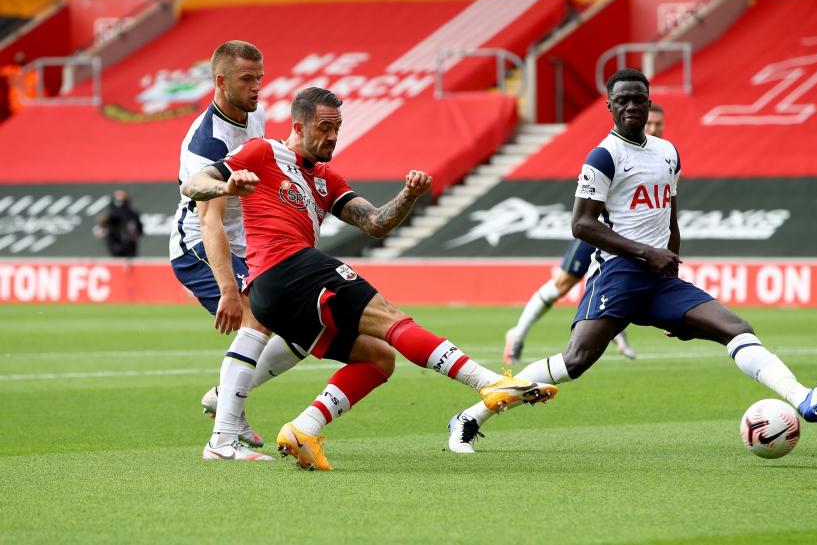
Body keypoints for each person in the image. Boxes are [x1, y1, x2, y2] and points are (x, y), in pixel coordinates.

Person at [448, 69, 817, 454]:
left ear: (648, 104)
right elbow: (581, 224)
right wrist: (646, 253)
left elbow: (670, 217)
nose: (631, 107)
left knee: (735, 328)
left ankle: (802, 397)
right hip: (619, 274)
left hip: (660, 279)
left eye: (638, 100)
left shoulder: (666, 152)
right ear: (610, 106)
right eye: (622, 101)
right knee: (575, 362)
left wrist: (672, 281)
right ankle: (471, 416)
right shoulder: (603, 157)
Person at [180, 86, 559, 470]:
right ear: (299, 125)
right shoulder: (263, 151)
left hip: (281, 296)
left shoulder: (326, 177)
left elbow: (374, 223)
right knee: (387, 315)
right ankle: (489, 383)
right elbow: (192, 184)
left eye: (338, 128)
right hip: (285, 269)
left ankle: (303, 429)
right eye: (325, 127)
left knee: (378, 357)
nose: (333, 136)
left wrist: (409, 196)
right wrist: (224, 186)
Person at [169, 40, 344, 462]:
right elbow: (210, 219)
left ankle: (224, 399)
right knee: (254, 316)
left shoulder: (256, 116)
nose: (257, 88)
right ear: (221, 81)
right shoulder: (206, 143)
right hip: (200, 245)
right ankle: (223, 439)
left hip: (251, 243)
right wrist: (229, 289)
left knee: (310, 328)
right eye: (247, 80)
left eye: (259, 79)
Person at [502, 103, 666, 365]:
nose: (654, 129)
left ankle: (617, 333)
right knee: (563, 284)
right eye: (650, 124)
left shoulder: (663, 157)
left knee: (622, 280)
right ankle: (517, 335)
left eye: (659, 124)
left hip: (632, 236)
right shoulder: (616, 151)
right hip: (601, 231)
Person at [95, 190, 143, 257]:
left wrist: (132, 234)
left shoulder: (131, 215)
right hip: (114, 247)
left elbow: (138, 231)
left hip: (128, 248)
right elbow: (99, 232)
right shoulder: (110, 215)